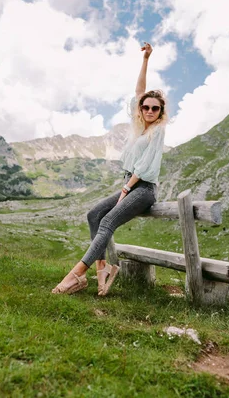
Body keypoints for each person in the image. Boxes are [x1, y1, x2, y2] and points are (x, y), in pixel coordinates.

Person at [52, 42, 169, 296]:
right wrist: (146, 59)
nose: (149, 110)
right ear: (141, 109)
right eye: (146, 107)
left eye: (154, 108)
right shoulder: (139, 126)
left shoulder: (158, 131)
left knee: (107, 221)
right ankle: (102, 269)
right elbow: (139, 90)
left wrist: (127, 188)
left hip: (143, 188)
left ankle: (75, 275)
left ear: (160, 112)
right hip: (130, 184)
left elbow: (146, 165)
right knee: (94, 214)